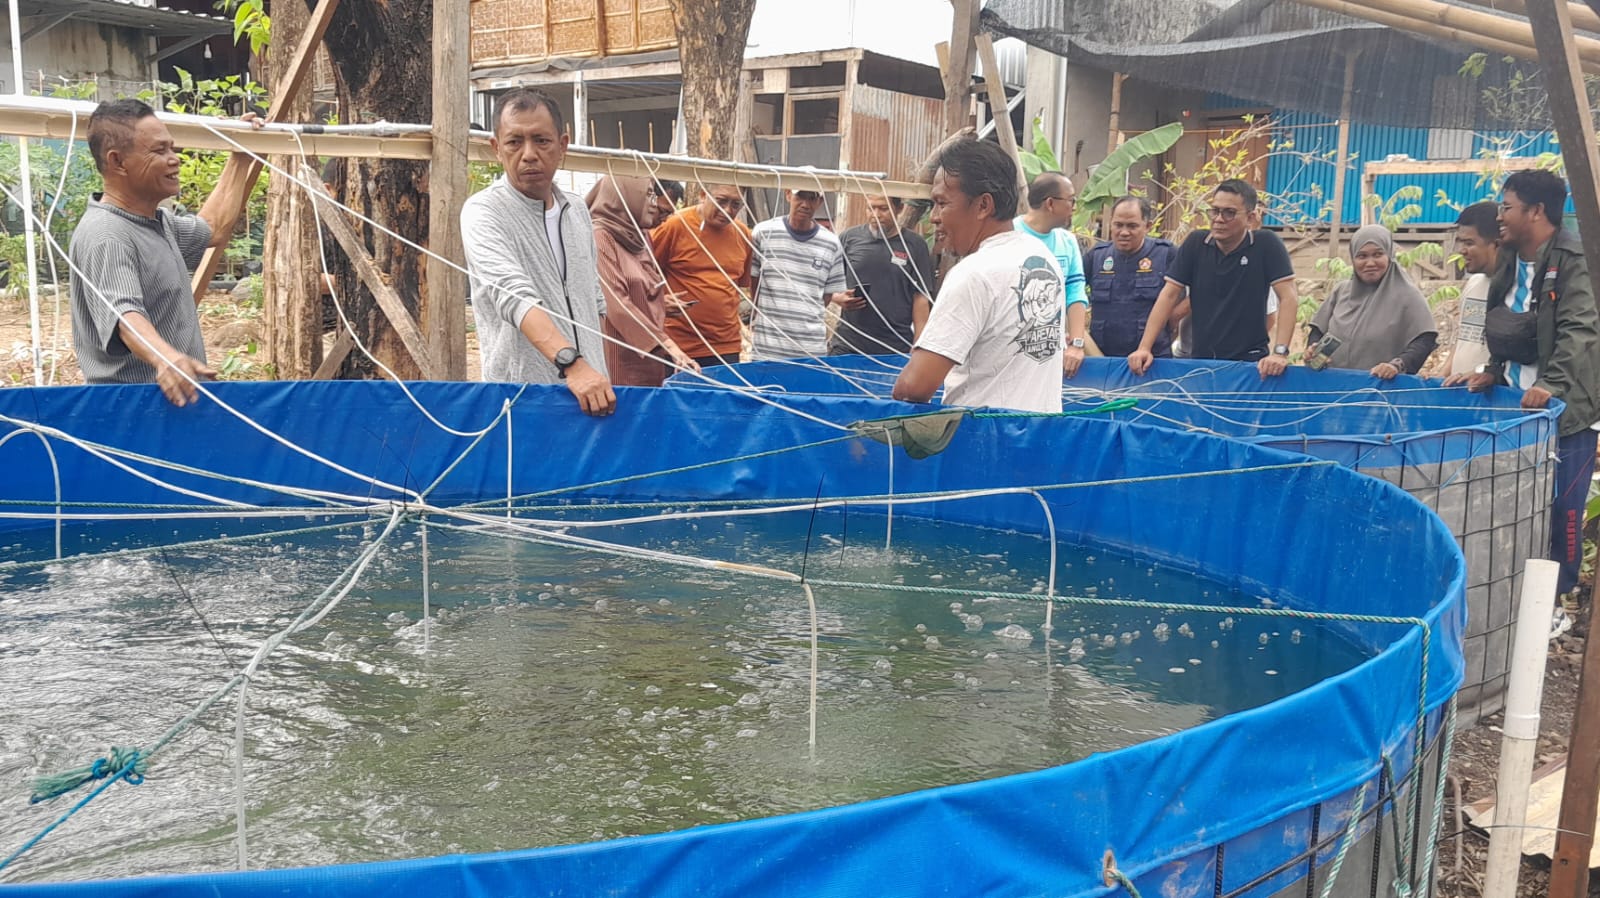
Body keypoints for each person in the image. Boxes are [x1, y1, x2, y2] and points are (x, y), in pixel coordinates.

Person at [1463, 170, 1600, 615]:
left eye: (1507, 207)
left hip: (1569, 411)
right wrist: (1494, 369)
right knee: (1515, 503)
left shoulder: (1575, 258)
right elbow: (1504, 319)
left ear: (1536, 211)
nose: (1499, 215)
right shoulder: (1509, 258)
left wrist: (1551, 384)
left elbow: (1580, 329)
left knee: (1564, 509)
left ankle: (1556, 603)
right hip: (1517, 405)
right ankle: (1514, 598)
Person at [68, 98, 262, 407]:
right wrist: (166, 358)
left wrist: (241, 158)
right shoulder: (106, 234)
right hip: (135, 412)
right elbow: (124, 315)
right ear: (117, 161)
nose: (175, 159)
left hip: (175, 404)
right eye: (160, 151)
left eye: (172, 148)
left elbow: (214, 227)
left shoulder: (157, 223)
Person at [460, 87, 615, 416]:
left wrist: (594, 370)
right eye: (514, 142)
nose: (528, 154)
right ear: (496, 148)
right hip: (524, 402)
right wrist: (573, 366)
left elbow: (593, 300)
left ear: (562, 146)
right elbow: (514, 297)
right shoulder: (484, 212)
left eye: (541, 140)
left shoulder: (576, 210)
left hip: (591, 397)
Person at [892, 139, 1064, 413]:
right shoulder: (1043, 259)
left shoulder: (974, 274)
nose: (934, 217)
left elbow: (914, 387)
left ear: (983, 205)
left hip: (984, 445)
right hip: (1042, 441)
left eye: (941, 203)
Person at [1128, 179, 1298, 379]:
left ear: (1250, 218)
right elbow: (1169, 295)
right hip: (1201, 362)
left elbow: (1289, 297)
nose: (1219, 219)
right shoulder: (1196, 244)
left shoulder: (1266, 245)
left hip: (1251, 365)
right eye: (1215, 211)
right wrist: (1144, 347)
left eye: (1229, 213)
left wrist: (1280, 353)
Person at [586, 175, 699, 387]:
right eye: (648, 195)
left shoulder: (639, 236)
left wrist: (660, 303)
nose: (653, 204)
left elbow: (641, 285)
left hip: (649, 355)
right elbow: (617, 304)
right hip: (618, 357)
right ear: (624, 197)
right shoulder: (599, 238)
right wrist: (668, 345)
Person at [1305, 224, 1437, 378]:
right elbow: (1318, 331)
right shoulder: (1341, 292)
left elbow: (1424, 339)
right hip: (1333, 385)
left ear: (1389, 255)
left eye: (1378, 254)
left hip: (1379, 390)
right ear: (1353, 259)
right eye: (1362, 256)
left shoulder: (1407, 295)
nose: (1370, 263)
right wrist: (1313, 352)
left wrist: (1396, 365)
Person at [652, 183, 753, 368]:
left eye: (736, 204)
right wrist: (660, 300)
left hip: (726, 345)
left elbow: (740, 284)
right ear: (703, 195)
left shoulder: (743, 234)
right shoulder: (674, 226)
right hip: (679, 346)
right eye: (721, 201)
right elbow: (645, 274)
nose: (728, 210)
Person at [748, 189, 850, 360]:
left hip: (811, 349)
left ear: (820, 202)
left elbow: (826, 295)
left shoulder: (831, 243)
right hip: (768, 348)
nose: (805, 204)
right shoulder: (763, 232)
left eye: (812, 198)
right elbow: (754, 282)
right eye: (800, 196)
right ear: (788, 194)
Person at [829, 194, 936, 355]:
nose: (876, 215)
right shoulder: (849, 238)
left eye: (883, 209)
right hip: (848, 344)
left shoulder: (915, 245)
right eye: (871, 208)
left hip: (894, 347)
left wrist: (920, 343)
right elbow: (828, 282)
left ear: (899, 209)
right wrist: (838, 298)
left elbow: (920, 297)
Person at [1013, 171, 1090, 377]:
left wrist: (1077, 344)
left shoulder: (1068, 242)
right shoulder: (1009, 235)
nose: (1074, 208)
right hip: (1011, 354)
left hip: (1050, 353)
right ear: (1050, 203)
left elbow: (1075, 292)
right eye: (1071, 200)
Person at [1085, 195, 1178, 358]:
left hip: (1152, 358)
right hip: (1103, 358)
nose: (1124, 232)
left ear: (1147, 226)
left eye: (1132, 226)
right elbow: (1070, 293)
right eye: (1118, 225)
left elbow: (1198, 291)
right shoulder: (1097, 256)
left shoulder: (1166, 254)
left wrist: (1171, 319)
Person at [1441, 201, 1499, 383]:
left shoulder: (1514, 292)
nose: (1461, 251)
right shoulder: (1473, 283)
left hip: (1489, 396)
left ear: (1496, 244)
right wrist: (1442, 373)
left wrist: (1484, 373)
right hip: (1460, 393)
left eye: (1469, 243)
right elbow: (1463, 338)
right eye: (1460, 242)